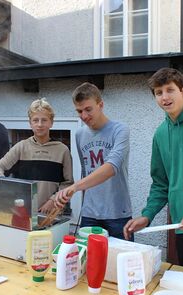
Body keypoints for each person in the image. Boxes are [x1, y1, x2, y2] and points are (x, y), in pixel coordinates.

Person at [123, 67, 183, 270]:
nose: (165, 97)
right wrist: (147, 215)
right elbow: (161, 184)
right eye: (158, 92)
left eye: (170, 90)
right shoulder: (160, 135)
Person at [55, 82, 132, 239]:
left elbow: (111, 167)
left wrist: (74, 187)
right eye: (79, 111)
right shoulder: (79, 135)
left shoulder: (120, 130)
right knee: (88, 261)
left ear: (100, 104)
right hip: (89, 213)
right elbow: (86, 171)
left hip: (117, 213)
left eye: (88, 109)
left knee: (119, 260)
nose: (84, 116)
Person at [0, 98, 73, 214]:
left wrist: (53, 200)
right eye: (35, 120)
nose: (39, 124)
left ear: (51, 122)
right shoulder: (21, 147)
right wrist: (5, 186)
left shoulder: (62, 150)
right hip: (23, 213)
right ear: (30, 123)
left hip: (51, 214)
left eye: (44, 120)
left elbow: (68, 184)